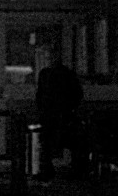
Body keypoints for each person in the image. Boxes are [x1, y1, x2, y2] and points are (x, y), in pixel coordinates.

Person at [33, 47, 83, 177]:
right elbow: (77, 94)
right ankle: (69, 169)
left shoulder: (45, 74)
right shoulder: (67, 74)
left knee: (48, 142)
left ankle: (47, 169)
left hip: (50, 113)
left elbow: (40, 94)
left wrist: (42, 108)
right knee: (64, 141)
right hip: (62, 113)